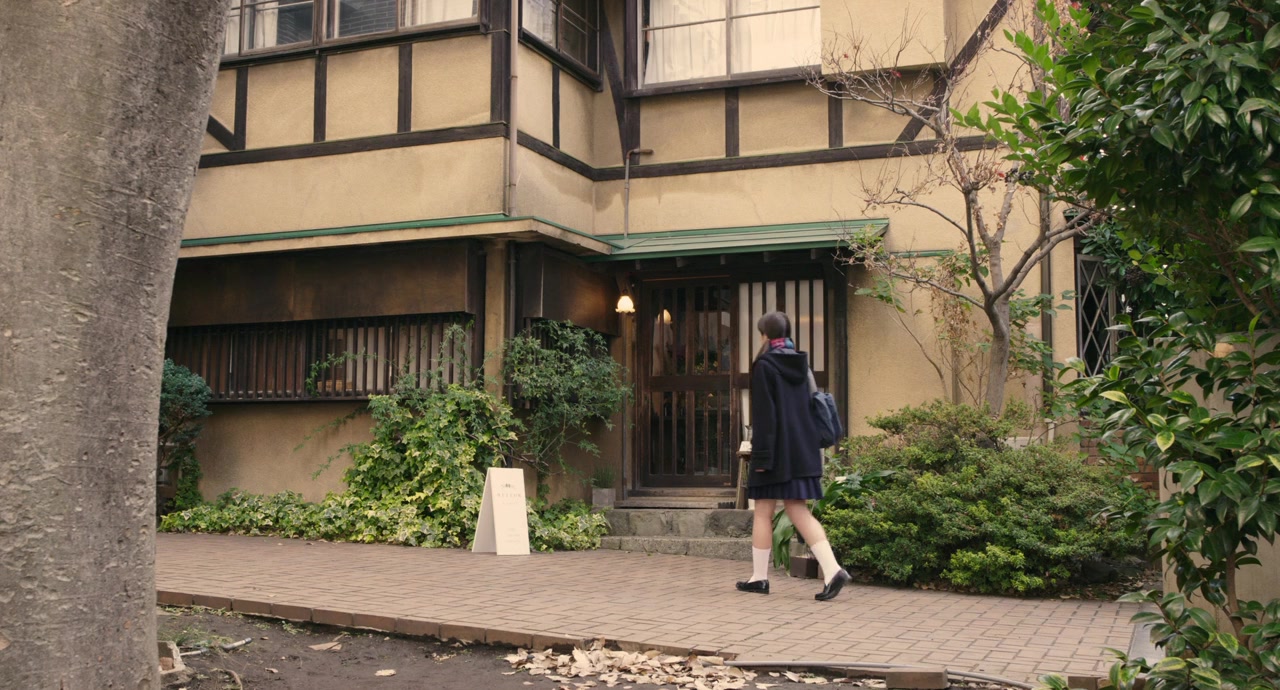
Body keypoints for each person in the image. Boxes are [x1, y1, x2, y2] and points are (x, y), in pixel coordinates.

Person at [736, 311, 851, 601]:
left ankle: (761, 577)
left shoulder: (765, 365)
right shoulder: (801, 363)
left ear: (764, 335)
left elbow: (765, 416)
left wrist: (761, 456)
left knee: (763, 511)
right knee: (798, 509)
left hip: (775, 452)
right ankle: (831, 569)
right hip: (802, 449)